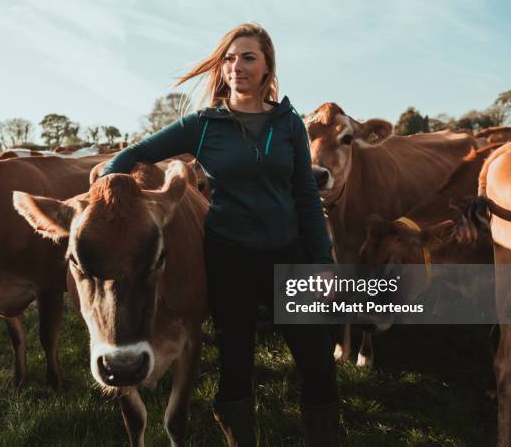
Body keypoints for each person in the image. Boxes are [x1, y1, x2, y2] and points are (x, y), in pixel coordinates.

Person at [100, 22, 339, 446]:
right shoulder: (203, 125)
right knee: (236, 363)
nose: (236, 67)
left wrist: (320, 263)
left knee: (318, 361)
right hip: (231, 258)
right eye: (229, 58)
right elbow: (131, 155)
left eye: (248, 57)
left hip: (289, 253)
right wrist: (104, 187)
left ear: (267, 66)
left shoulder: (288, 124)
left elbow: (305, 195)